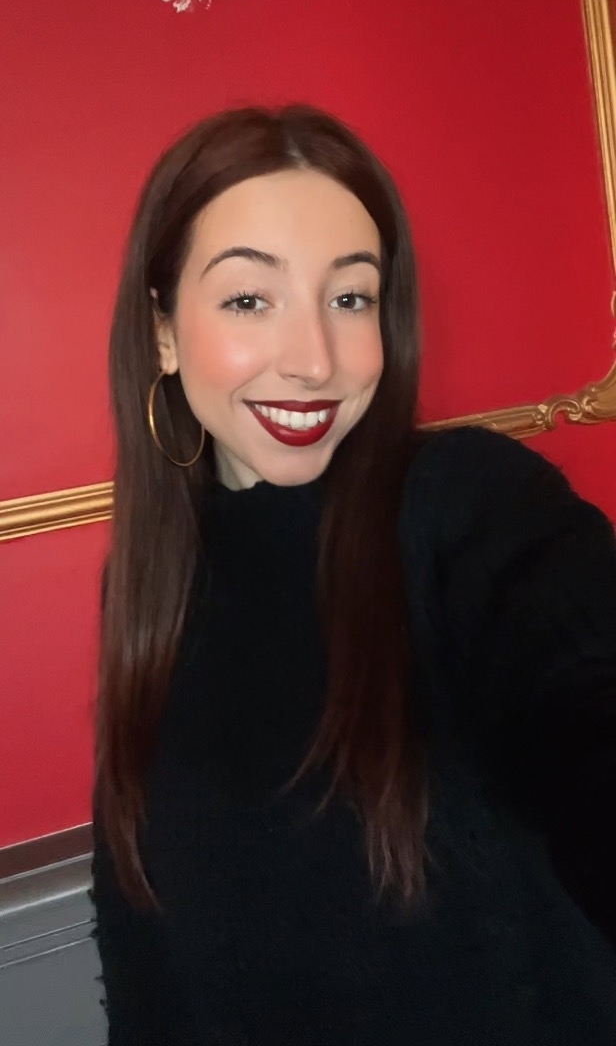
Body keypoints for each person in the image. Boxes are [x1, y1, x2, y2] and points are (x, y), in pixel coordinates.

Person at [90, 104, 616, 1046]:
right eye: (249, 300)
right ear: (162, 330)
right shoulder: (154, 581)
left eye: (351, 298)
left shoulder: (469, 504)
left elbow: (583, 693)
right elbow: (144, 947)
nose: (314, 362)